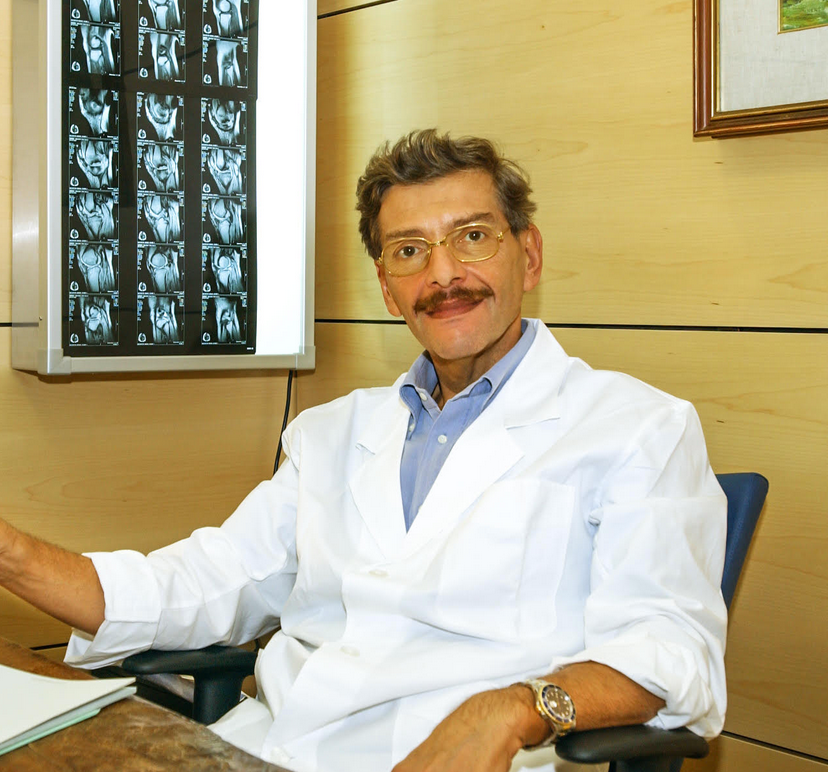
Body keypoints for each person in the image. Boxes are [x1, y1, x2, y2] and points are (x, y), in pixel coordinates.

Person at [0, 130, 727, 772]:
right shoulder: (331, 432)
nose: (443, 275)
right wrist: (14, 556)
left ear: (528, 255)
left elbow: (673, 652)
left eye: (473, 236)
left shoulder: (638, 428)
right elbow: (204, 583)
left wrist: (513, 709)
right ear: (386, 285)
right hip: (269, 747)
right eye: (409, 251)